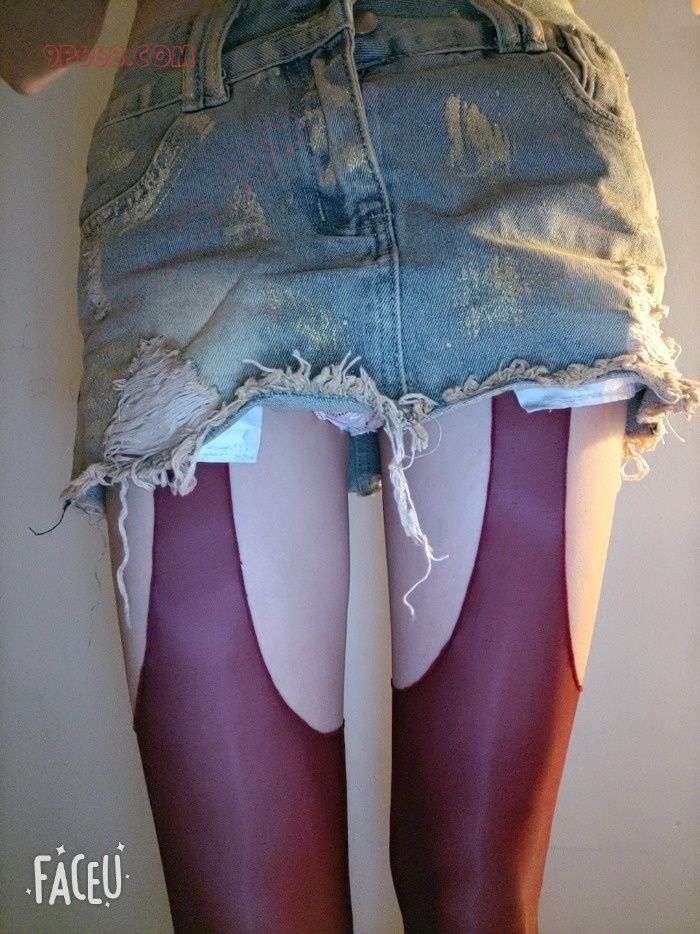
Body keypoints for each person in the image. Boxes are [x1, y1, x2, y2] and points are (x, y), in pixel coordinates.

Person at [4, 0, 699, 930]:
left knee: (477, 900)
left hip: (505, 119)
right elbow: (34, 50)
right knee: (250, 914)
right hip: (202, 159)